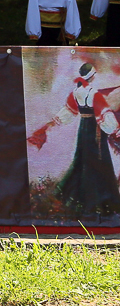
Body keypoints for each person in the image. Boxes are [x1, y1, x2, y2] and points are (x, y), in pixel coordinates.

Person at [27, 63, 120, 216]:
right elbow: (104, 115)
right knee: (98, 161)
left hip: (83, 128)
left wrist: (52, 124)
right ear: (92, 76)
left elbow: (68, 112)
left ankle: (79, 199)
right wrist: (115, 130)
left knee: (82, 159)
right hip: (95, 130)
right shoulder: (94, 94)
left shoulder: (76, 92)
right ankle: (100, 202)